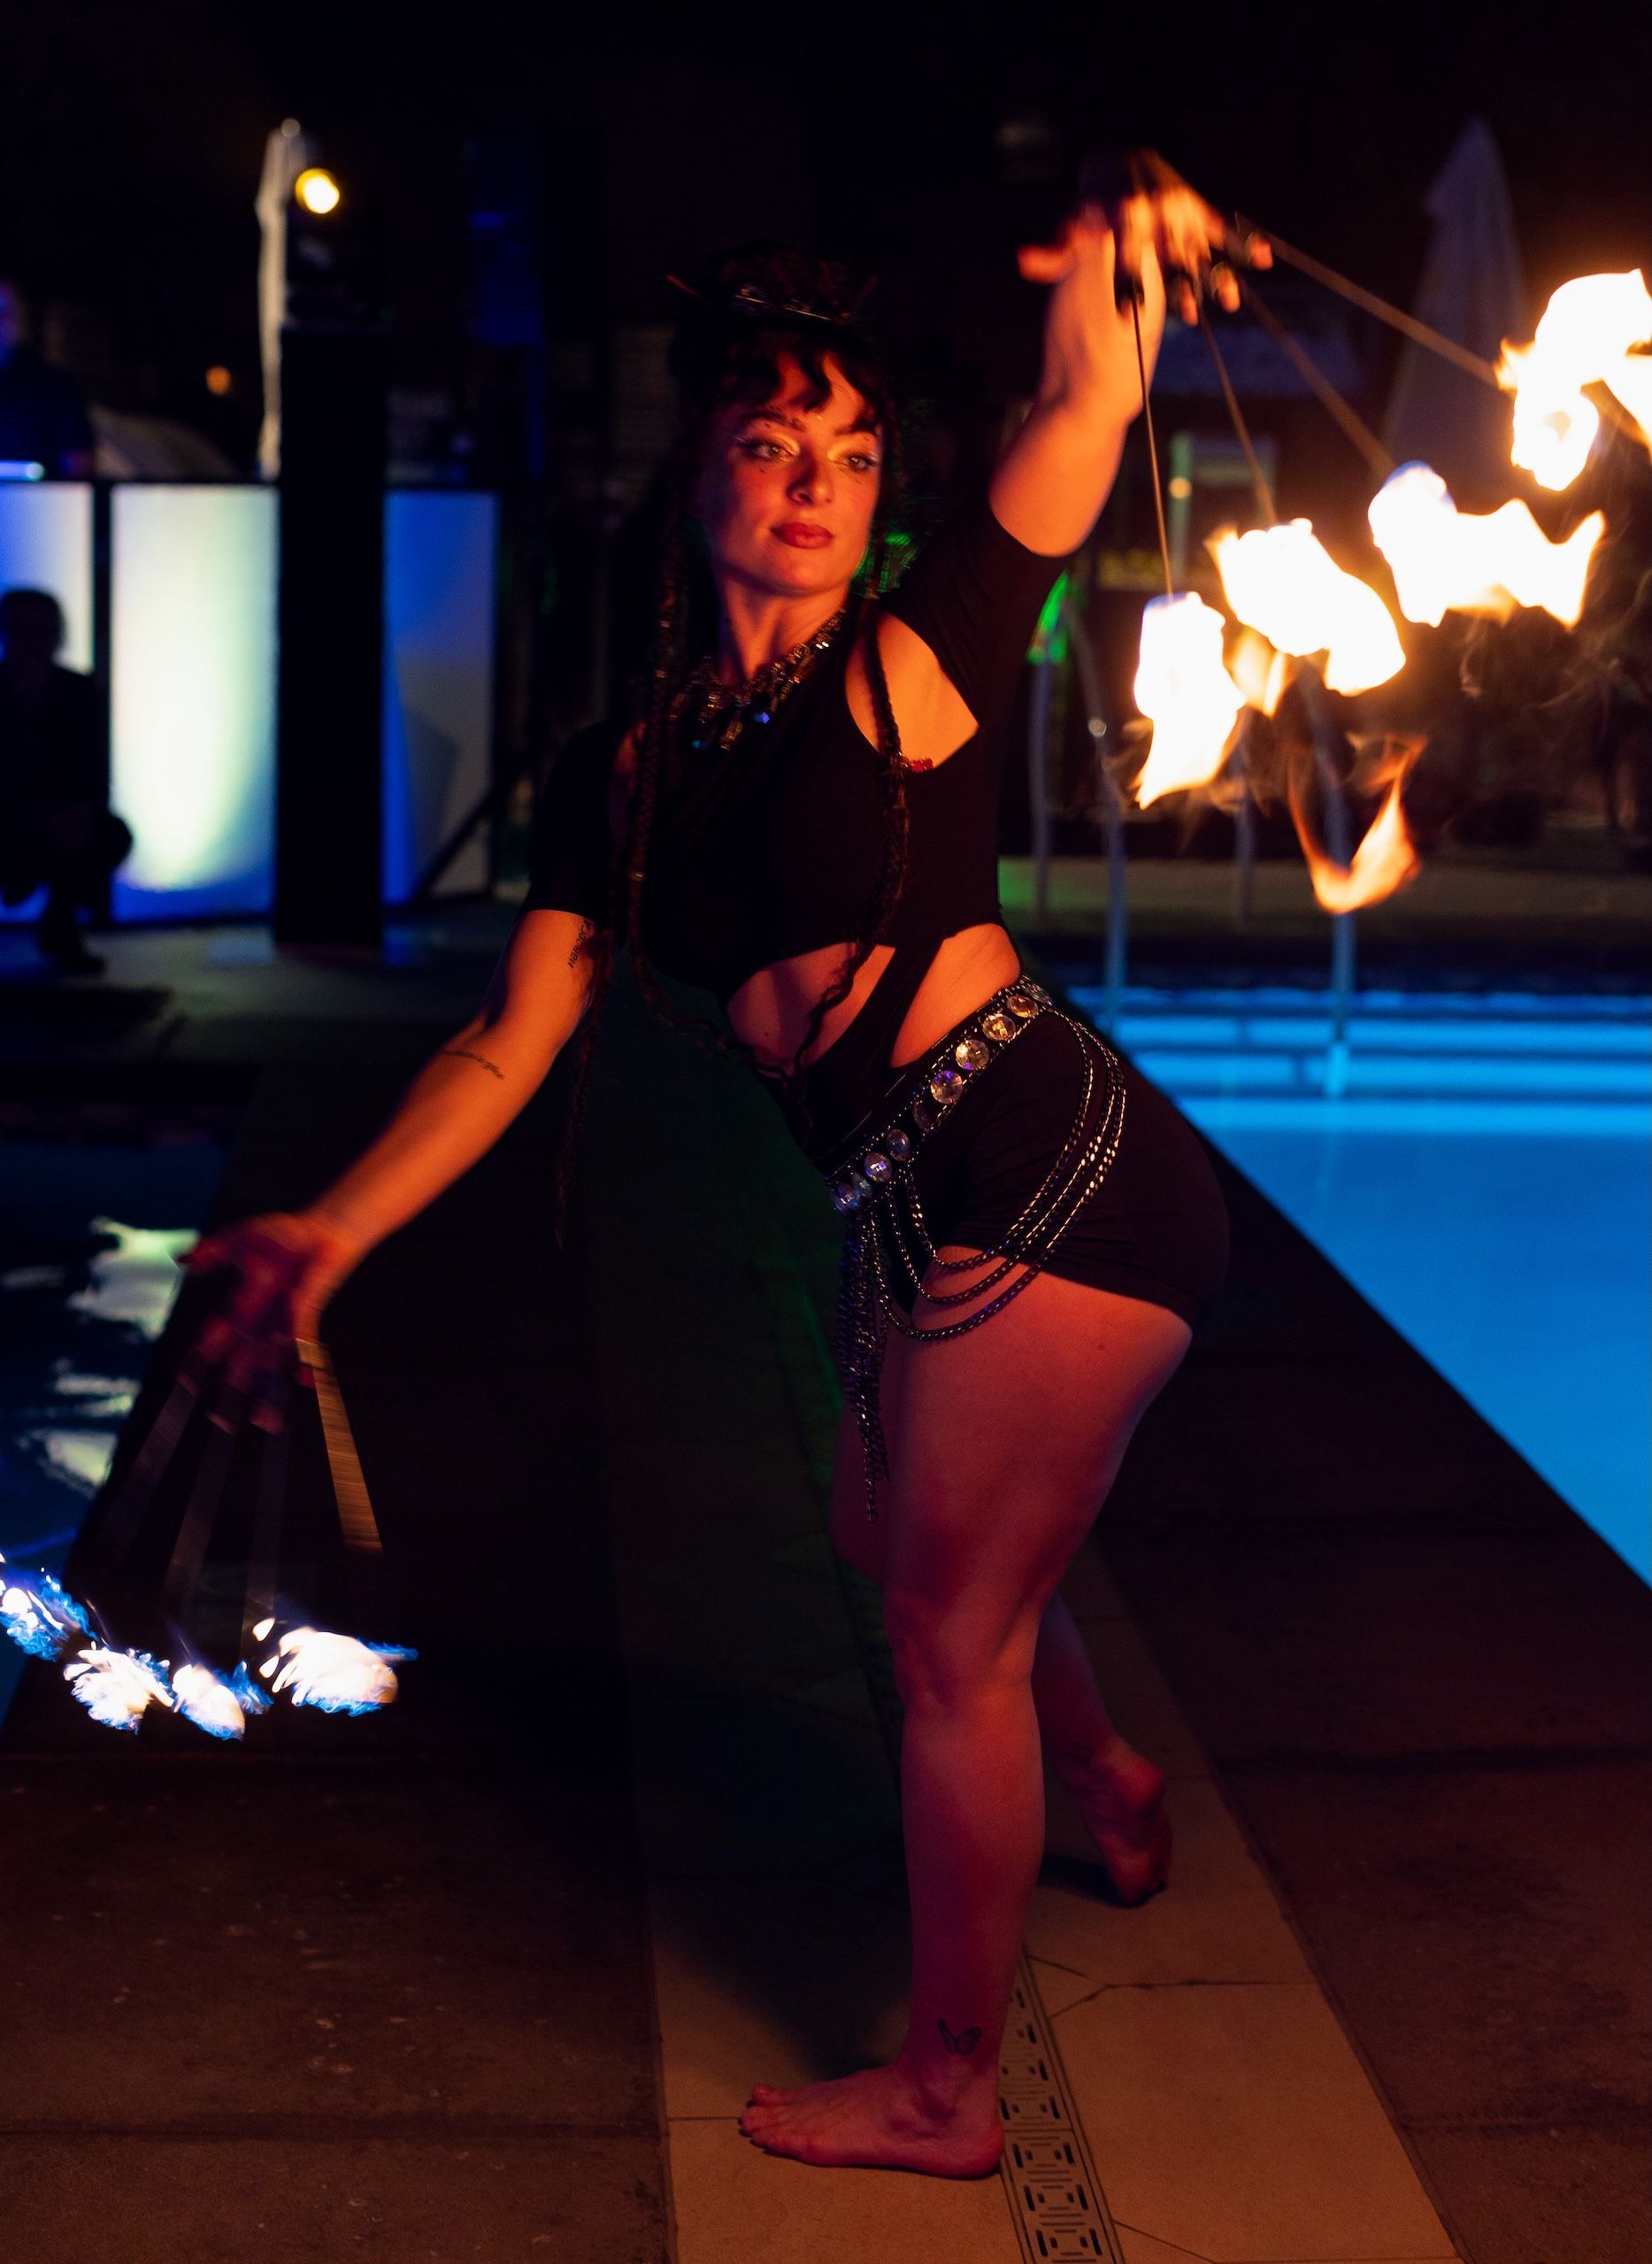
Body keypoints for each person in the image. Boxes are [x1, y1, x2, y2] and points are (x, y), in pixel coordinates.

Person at [187, 182, 1243, 2178]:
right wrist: (329, 1228)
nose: (815, 489)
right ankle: (1101, 1775)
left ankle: (943, 2094)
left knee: (948, 1640)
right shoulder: (630, 772)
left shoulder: (915, 659)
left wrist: (1123, 268)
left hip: (1056, 1162)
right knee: (896, 1542)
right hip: (910, 1202)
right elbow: (509, 1039)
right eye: (772, 447)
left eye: (851, 456)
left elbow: (1083, 415)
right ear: (696, 474)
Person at [0, 588, 131, 974]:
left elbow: (89, 765)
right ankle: (59, 926)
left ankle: (60, 924)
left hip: (56, 816)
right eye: (22, 630)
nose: (33, 641)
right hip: (12, 816)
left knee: (106, 834)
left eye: (42, 630)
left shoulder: (76, 690)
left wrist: (79, 811)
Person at [0, 282, 96, 478]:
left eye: (5, 312)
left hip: (37, 505)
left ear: (20, 319)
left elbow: (80, 471)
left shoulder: (56, 387)